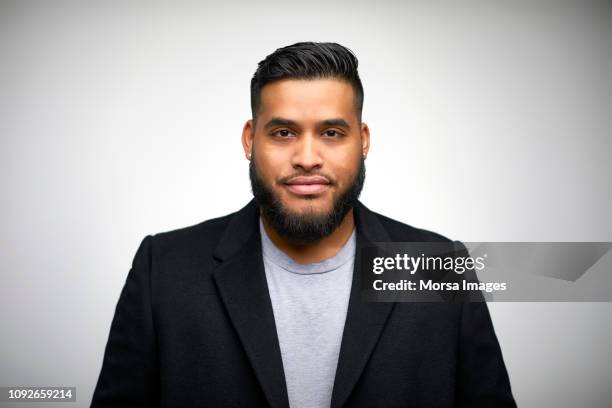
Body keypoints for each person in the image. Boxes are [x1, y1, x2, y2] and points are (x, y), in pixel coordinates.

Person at [91, 42, 516, 408]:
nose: (308, 157)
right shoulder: (163, 269)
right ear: (249, 139)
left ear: (363, 141)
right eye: (283, 133)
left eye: (332, 132)